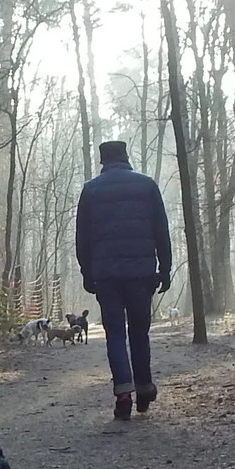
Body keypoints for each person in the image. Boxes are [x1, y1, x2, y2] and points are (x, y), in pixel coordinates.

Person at [74, 140, 174, 421]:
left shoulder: (91, 190)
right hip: (142, 273)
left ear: (102, 160)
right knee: (139, 332)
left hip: (106, 276)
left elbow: (82, 238)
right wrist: (164, 268)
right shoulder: (146, 186)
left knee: (115, 334)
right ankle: (144, 386)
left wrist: (87, 273)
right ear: (126, 156)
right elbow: (161, 230)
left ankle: (123, 393)